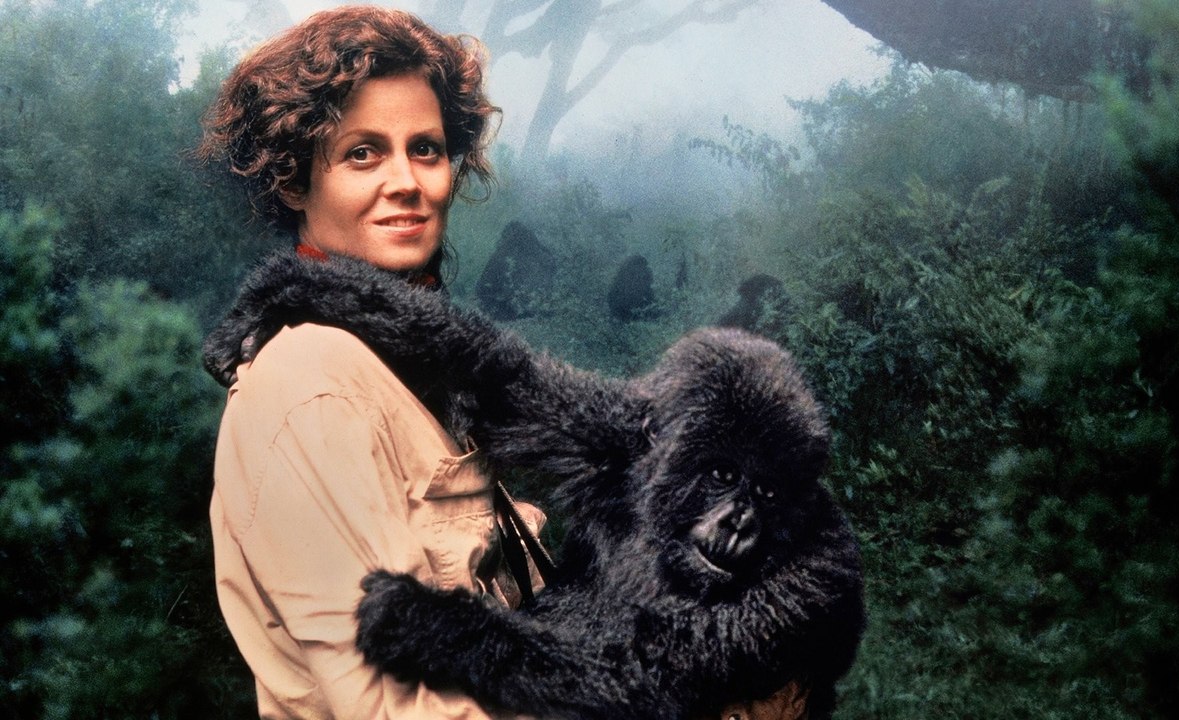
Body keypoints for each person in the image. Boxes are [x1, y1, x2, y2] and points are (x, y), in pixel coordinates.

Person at [197, 6, 808, 720]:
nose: (407, 181)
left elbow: (498, 373)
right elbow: (399, 708)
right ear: (293, 181)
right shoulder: (316, 384)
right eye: (362, 153)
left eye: (426, 150)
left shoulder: (405, 369)